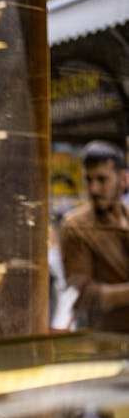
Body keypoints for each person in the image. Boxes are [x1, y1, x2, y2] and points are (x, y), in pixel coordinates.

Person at [60, 140, 129, 332]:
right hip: (105, 343)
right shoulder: (76, 227)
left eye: (102, 179)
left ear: (123, 180)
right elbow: (85, 297)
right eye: (88, 180)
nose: (93, 189)